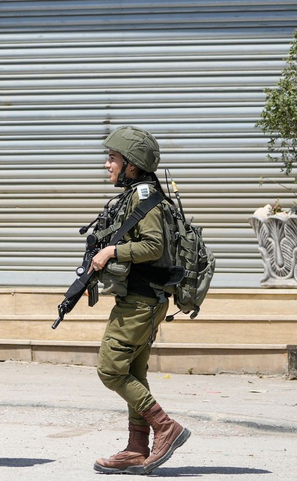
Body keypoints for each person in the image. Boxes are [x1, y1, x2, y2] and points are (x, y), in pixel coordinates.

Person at [89, 126, 191, 474]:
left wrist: (112, 251)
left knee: (110, 370)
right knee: (133, 372)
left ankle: (165, 426)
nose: (107, 164)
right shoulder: (137, 194)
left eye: (112, 158)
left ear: (131, 164)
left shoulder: (144, 197)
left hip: (141, 302)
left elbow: (153, 246)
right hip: (142, 299)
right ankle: (136, 448)